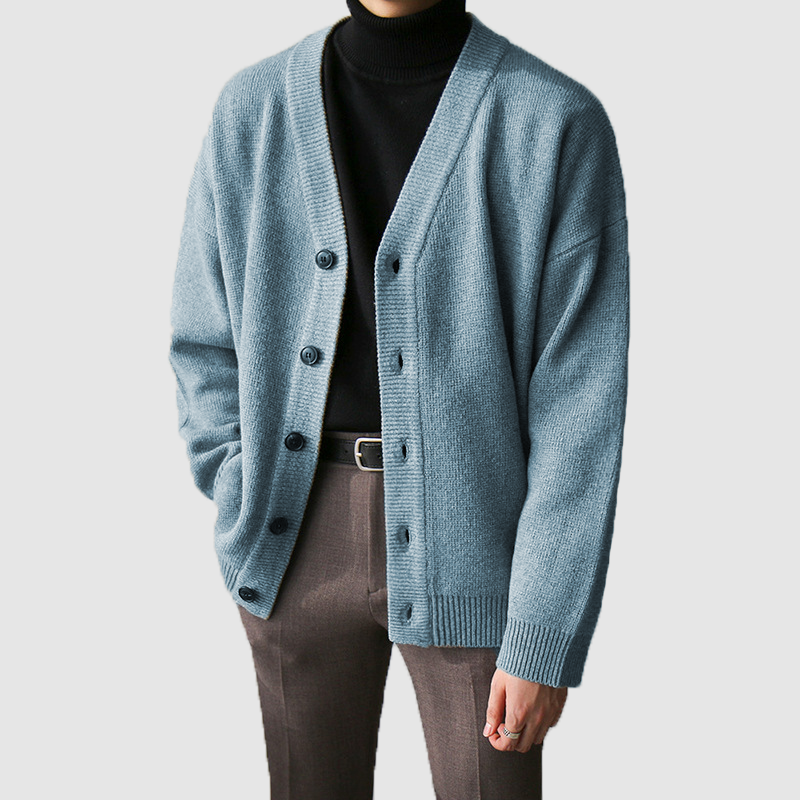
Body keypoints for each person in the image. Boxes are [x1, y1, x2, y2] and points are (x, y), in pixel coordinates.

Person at [168, 0, 629, 796]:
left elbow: (580, 409)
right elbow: (203, 338)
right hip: (292, 538)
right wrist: (239, 483)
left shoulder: (552, 121)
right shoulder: (253, 109)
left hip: (480, 544)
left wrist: (543, 629)